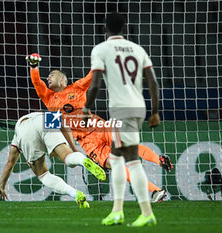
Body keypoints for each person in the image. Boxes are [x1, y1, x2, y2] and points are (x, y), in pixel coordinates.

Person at [25, 54, 172, 203]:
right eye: (48, 76)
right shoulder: (49, 98)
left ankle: (158, 160)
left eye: (52, 75)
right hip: (88, 142)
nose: (48, 78)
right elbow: (37, 83)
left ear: (63, 79)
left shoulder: (76, 87)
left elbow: (92, 75)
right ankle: (156, 191)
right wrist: (33, 67)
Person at [83, 12, 160, 227]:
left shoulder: (101, 49)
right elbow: (153, 82)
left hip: (121, 110)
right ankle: (117, 211)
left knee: (132, 160)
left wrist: (85, 109)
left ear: (105, 29)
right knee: (116, 157)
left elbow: (96, 84)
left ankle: (145, 212)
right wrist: (155, 111)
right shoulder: (137, 49)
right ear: (124, 28)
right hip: (138, 108)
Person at [0, 112, 106, 208]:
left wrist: (1, 186)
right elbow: (64, 125)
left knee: (43, 175)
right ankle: (82, 160)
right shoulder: (42, 114)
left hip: (25, 132)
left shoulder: (17, 133)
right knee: (68, 158)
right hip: (44, 118)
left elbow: (10, 162)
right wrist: (74, 149)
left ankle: (74, 193)